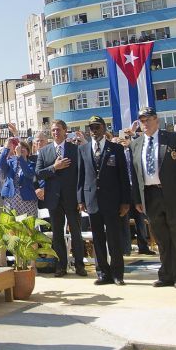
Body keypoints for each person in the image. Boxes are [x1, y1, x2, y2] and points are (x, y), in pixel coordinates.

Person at [130, 107, 176, 288]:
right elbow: (135, 175)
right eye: (142, 121)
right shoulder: (136, 144)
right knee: (160, 237)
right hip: (150, 195)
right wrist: (137, 199)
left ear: (156, 120)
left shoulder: (172, 138)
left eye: (148, 120)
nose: (145, 124)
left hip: (173, 193)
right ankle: (166, 273)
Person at [77, 116, 132, 286]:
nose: (94, 130)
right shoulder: (83, 149)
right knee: (98, 239)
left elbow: (123, 176)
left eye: (97, 127)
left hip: (112, 200)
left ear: (104, 128)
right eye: (91, 127)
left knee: (114, 238)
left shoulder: (115, 148)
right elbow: (81, 176)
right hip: (92, 199)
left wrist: (125, 201)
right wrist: (80, 199)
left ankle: (117, 273)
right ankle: (102, 272)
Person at [36, 120, 87, 277]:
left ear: (65, 131)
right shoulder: (44, 152)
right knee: (57, 235)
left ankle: (79, 265)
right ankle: (61, 266)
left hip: (72, 199)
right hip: (54, 199)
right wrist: (54, 168)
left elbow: (81, 175)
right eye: (53, 130)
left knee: (76, 233)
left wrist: (81, 199)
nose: (55, 133)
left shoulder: (75, 150)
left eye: (58, 130)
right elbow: (38, 173)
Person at [0, 141, 39, 218]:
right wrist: (6, 148)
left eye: (23, 148)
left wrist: (20, 157)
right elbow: (1, 164)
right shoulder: (10, 162)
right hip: (11, 199)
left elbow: (29, 174)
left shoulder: (32, 164)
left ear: (28, 152)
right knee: (11, 226)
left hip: (27, 200)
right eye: (18, 147)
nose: (20, 149)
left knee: (28, 227)